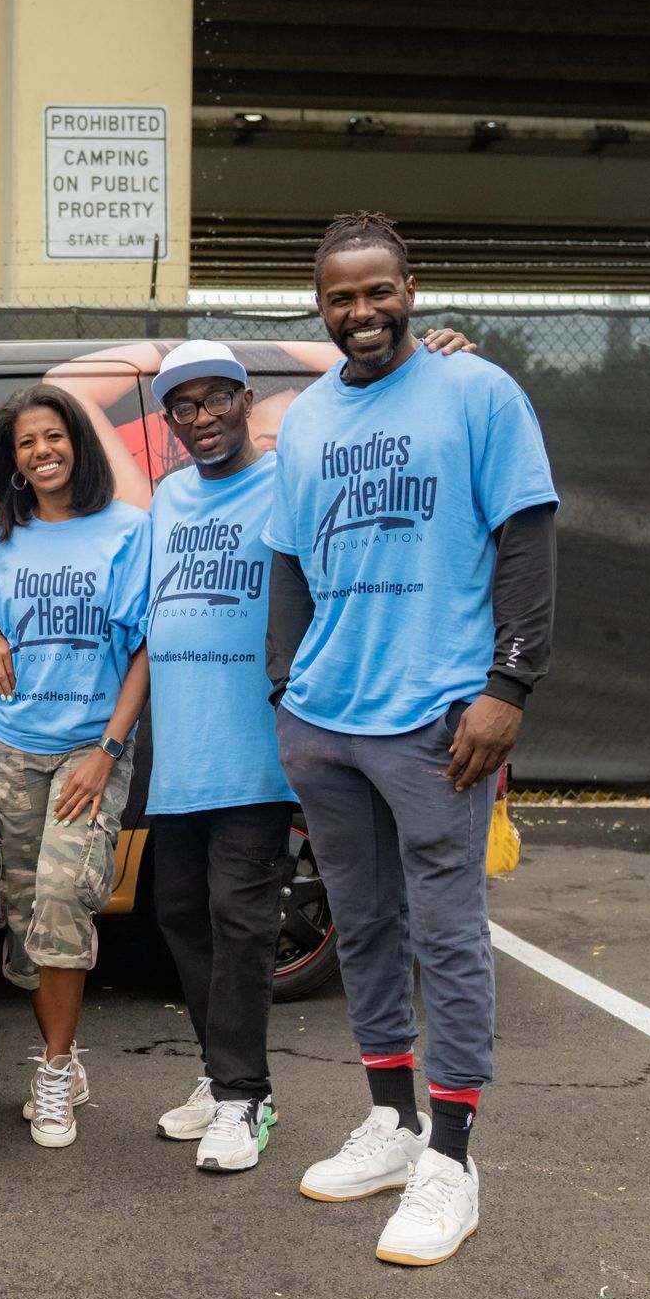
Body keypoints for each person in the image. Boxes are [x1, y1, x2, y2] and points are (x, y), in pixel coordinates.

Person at [267, 211, 557, 1266]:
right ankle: (391, 1123)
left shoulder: (477, 391)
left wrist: (509, 684)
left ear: (411, 288)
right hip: (326, 720)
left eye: (377, 291)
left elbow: (525, 536)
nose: (362, 313)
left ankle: (453, 1159)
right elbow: (288, 560)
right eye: (341, 297)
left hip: (439, 712)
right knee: (365, 923)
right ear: (320, 306)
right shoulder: (301, 420)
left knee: (448, 930)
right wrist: (283, 692)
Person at [144, 327, 477, 1174]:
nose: (202, 416)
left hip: (259, 755)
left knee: (241, 923)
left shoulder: (290, 479)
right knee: (181, 920)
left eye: (216, 397)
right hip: (182, 757)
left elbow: (377, 443)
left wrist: (444, 363)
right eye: (183, 406)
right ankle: (220, 1075)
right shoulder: (166, 501)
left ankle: (245, 1097)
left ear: (245, 401)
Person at [0, 383, 151, 1151]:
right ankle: (60, 1064)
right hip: (13, 745)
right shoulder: (6, 537)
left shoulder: (128, 530)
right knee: (20, 914)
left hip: (87, 745)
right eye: (25, 444)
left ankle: (55, 1065)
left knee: (65, 895)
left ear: (78, 442)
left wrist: (107, 752)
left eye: (53, 438)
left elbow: (144, 648)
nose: (42, 453)